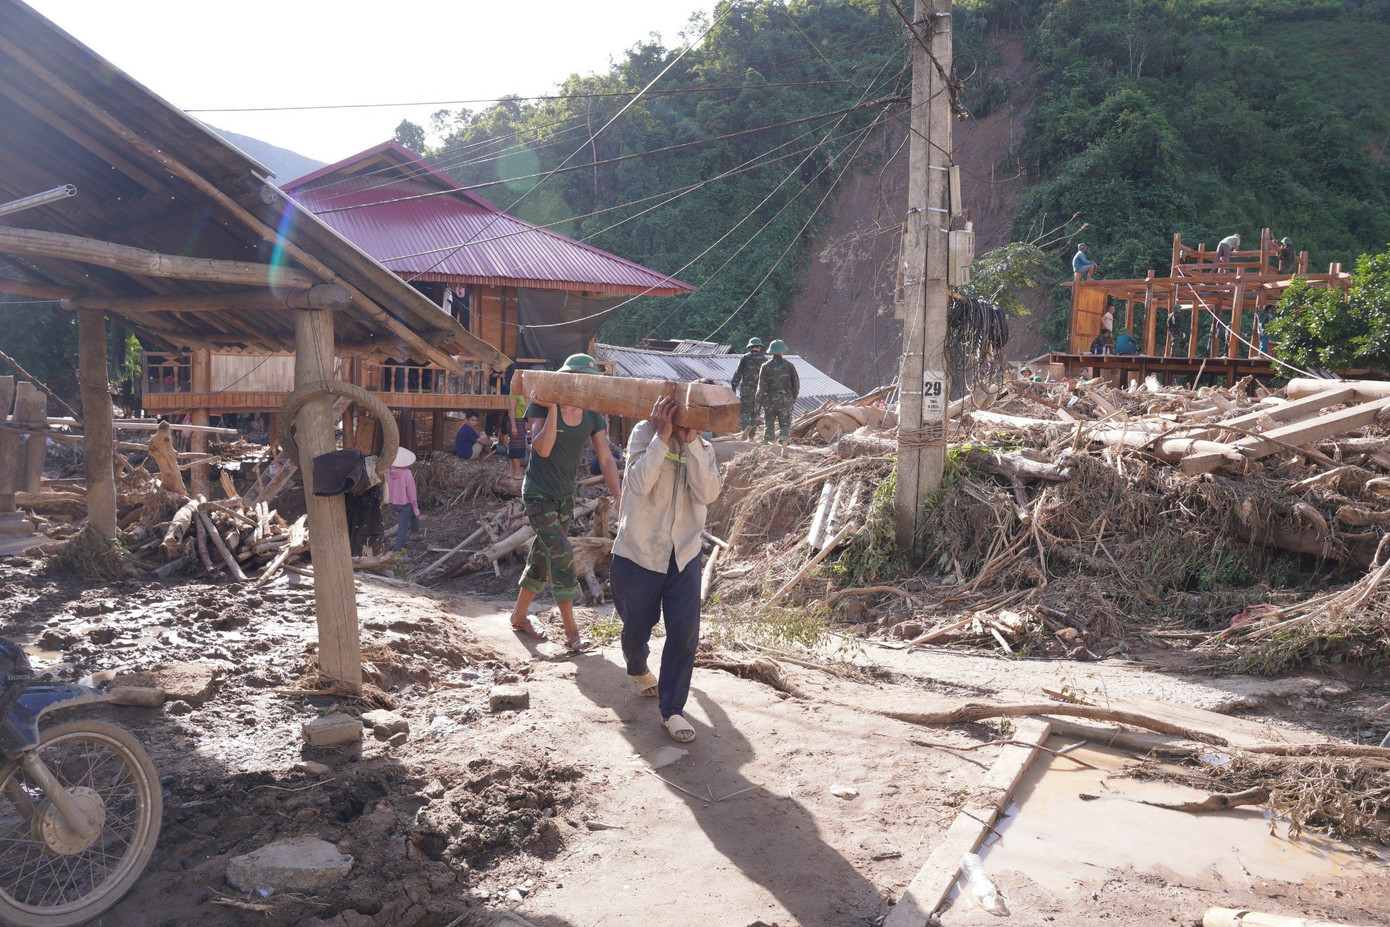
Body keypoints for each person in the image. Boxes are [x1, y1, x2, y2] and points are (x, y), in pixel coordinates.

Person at [612, 394, 723, 744]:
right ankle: (637, 665)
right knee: (634, 632)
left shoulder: (703, 447)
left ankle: (671, 709)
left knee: (684, 632)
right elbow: (639, 484)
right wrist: (662, 437)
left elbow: (708, 494)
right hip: (640, 551)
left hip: (684, 552)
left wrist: (691, 444)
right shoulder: (643, 434)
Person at [508, 353, 623, 652]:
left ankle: (519, 616)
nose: (583, 386)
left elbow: (606, 457)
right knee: (561, 554)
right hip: (537, 495)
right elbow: (542, 450)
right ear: (567, 379)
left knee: (542, 558)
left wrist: (619, 495)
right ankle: (572, 633)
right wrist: (553, 410)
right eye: (579, 380)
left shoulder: (592, 414)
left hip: (564, 498)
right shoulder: (540, 404)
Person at [756, 339, 800, 457]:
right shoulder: (789, 366)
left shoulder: (765, 366)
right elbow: (796, 385)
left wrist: (757, 404)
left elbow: (761, 388)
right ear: (782, 351)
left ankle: (767, 450)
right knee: (785, 425)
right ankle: (784, 449)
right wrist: (792, 399)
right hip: (785, 401)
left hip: (770, 401)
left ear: (772, 352)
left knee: (769, 424)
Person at [386, 447, 424, 552]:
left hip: (394, 503)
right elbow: (411, 493)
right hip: (404, 504)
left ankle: (414, 533)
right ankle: (399, 552)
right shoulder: (406, 473)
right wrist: (415, 506)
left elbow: (387, 486)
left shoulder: (389, 471)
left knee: (413, 514)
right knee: (402, 528)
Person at [729, 337, 767, 438]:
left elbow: (738, 374)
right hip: (759, 392)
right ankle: (751, 437)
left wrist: (733, 388)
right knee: (755, 414)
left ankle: (746, 427)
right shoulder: (765, 360)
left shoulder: (745, 358)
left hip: (747, 392)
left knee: (744, 412)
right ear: (759, 347)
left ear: (750, 347)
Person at [506, 392, 528, 480]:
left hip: (520, 421)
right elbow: (512, 410)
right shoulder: (514, 393)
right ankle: (517, 472)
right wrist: (514, 426)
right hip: (515, 421)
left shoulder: (521, 394)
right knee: (517, 446)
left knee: (514, 445)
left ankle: (512, 471)